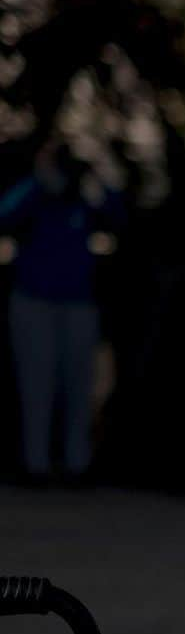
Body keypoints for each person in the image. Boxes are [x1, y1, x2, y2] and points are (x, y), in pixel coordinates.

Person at [0, 138, 124, 487]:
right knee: (36, 385)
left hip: (78, 303)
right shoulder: (35, 195)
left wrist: (97, 177)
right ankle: (34, 464)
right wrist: (39, 179)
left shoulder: (84, 198)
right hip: (33, 300)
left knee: (78, 387)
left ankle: (76, 465)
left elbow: (117, 217)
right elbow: (4, 214)